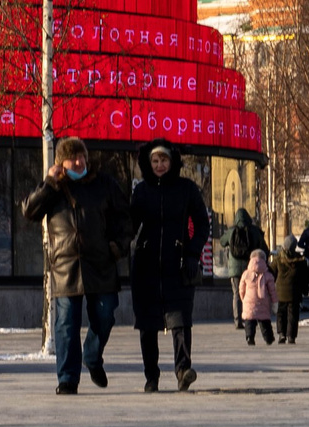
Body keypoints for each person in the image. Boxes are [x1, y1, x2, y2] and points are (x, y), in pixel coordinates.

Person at [20, 136, 128, 395]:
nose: (79, 162)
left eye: (82, 156)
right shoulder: (54, 188)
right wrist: (49, 183)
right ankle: (67, 378)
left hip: (100, 264)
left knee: (105, 316)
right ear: (61, 163)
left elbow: (124, 219)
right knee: (66, 324)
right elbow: (29, 211)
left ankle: (92, 355)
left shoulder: (105, 184)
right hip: (66, 268)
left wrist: (117, 246)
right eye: (73, 158)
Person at [127, 139, 212, 391]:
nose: (160, 165)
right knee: (147, 324)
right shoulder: (141, 191)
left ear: (172, 161)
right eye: (155, 161)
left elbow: (202, 225)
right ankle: (151, 377)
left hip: (179, 265)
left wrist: (193, 253)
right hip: (146, 266)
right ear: (148, 163)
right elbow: (129, 226)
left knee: (180, 321)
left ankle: (183, 371)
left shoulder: (187, 189)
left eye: (164, 160)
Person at [270, 237, 309, 344]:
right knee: (293, 314)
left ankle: (281, 334)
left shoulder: (278, 259)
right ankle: (291, 336)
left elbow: (271, 274)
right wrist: (305, 290)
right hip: (294, 292)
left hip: (280, 292)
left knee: (281, 313)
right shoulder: (300, 261)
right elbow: (304, 278)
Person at [236, 247, 275, 345]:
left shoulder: (246, 274)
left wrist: (243, 298)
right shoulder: (267, 275)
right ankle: (268, 338)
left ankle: (250, 337)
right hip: (263, 301)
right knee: (264, 321)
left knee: (249, 321)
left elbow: (241, 288)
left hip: (249, 301)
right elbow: (272, 290)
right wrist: (274, 301)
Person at [224, 208, 267, 285]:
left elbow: (222, 242)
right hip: (250, 268)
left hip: (235, 270)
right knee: (250, 293)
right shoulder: (255, 231)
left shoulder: (231, 231)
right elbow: (264, 248)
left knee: (237, 294)